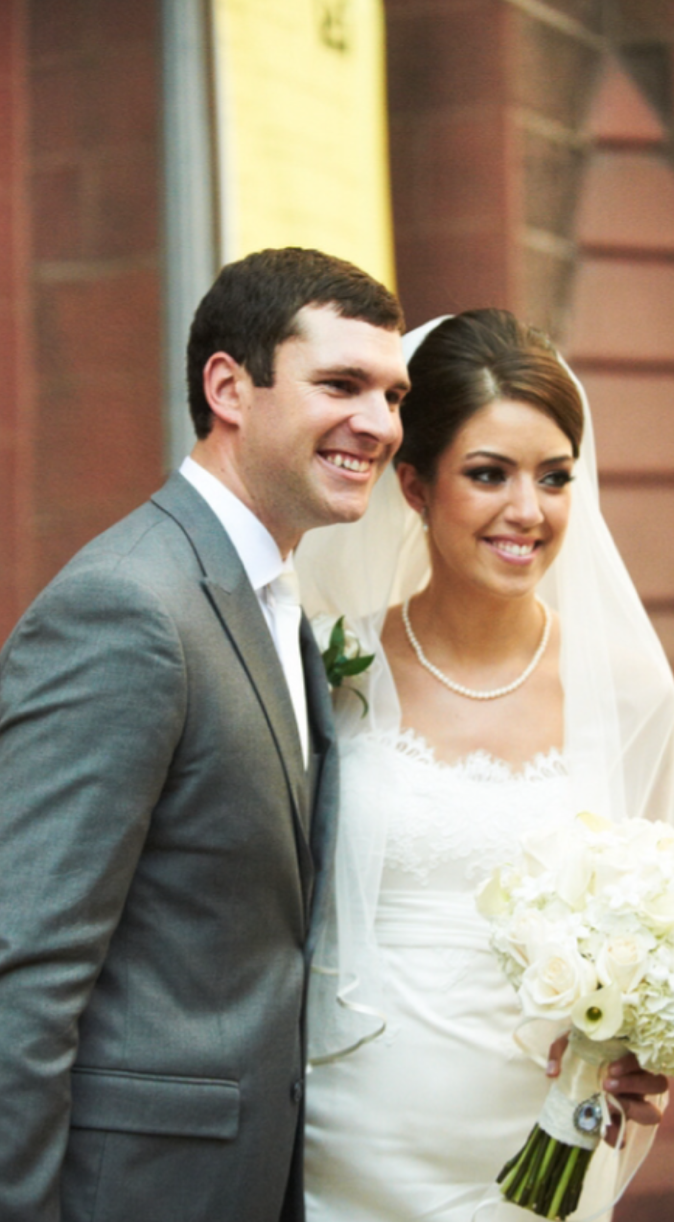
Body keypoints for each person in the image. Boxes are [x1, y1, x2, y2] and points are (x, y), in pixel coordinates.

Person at [0, 247, 409, 1222]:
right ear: (228, 385)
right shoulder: (128, 605)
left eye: (392, 395)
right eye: (341, 384)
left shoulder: (275, 599)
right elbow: (25, 957)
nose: (380, 424)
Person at [297, 310, 674, 1221]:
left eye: (554, 478)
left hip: (541, 1135)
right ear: (415, 487)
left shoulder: (625, 689)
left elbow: (655, 929)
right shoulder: (324, 666)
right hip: (346, 1134)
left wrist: (642, 1046)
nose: (528, 510)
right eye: (487, 474)